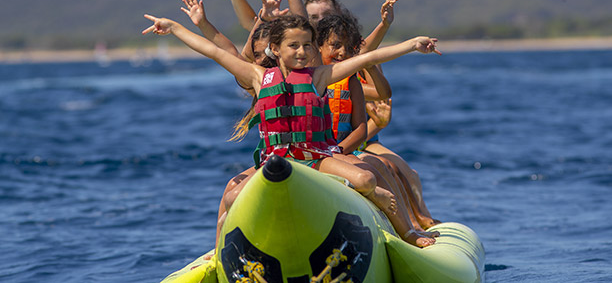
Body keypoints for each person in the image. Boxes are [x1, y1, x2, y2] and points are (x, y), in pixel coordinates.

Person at [142, 13, 440, 247]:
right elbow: (213, 51)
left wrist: (412, 44)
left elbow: (368, 58)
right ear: (275, 49)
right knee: (232, 200)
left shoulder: (319, 75)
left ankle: (408, 232)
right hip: (276, 161)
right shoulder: (258, 77)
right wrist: (173, 28)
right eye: (293, 45)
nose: (302, 51)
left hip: (314, 156)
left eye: (307, 45)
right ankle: (220, 253)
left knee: (365, 178)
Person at [317, 12, 439, 237]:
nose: (341, 52)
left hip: (341, 151)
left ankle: (408, 230)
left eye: (347, 48)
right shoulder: (309, 80)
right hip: (313, 154)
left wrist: (371, 61)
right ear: (318, 47)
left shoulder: (351, 81)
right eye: (335, 45)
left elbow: (377, 103)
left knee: (382, 167)